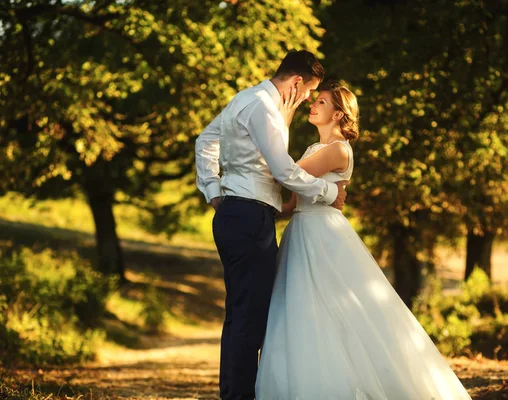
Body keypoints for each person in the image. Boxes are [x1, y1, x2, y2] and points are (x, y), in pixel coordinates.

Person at [255, 80, 472, 400]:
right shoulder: (315, 148)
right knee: (299, 311)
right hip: (300, 232)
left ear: (339, 115)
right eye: (315, 101)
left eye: (323, 103)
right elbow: (293, 202)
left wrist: (281, 125)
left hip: (322, 236)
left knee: (335, 311)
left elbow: (287, 173)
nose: (313, 105)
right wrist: (264, 212)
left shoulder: (338, 150)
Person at [195, 50, 348, 400]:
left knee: (240, 313)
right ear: (297, 83)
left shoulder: (246, 99)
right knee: (250, 317)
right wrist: (328, 192)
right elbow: (283, 171)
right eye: (309, 92)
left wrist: (215, 190)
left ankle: (234, 393)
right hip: (249, 218)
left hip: (238, 213)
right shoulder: (264, 109)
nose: (308, 99)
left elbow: (205, 141)